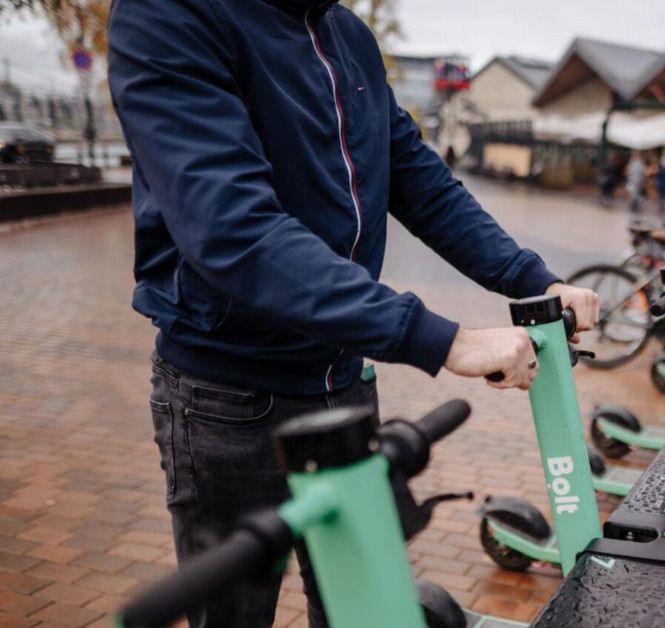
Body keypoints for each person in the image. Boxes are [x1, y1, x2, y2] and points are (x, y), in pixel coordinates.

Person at [106, 1, 599, 626]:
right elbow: (233, 229)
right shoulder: (169, 12)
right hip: (225, 393)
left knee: (363, 613)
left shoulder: (346, 35)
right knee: (233, 615)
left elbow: (418, 178)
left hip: (342, 377)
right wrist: (440, 339)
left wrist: (534, 279)